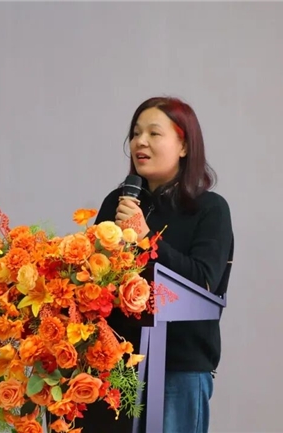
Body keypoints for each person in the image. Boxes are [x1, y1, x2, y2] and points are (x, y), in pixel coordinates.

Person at [77, 96, 234, 433]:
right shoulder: (118, 202)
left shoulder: (210, 209)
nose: (140, 142)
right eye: (136, 133)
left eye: (153, 133)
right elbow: (91, 275)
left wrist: (146, 237)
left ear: (184, 146)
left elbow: (203, 281)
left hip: (178, 367)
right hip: (115, 363)